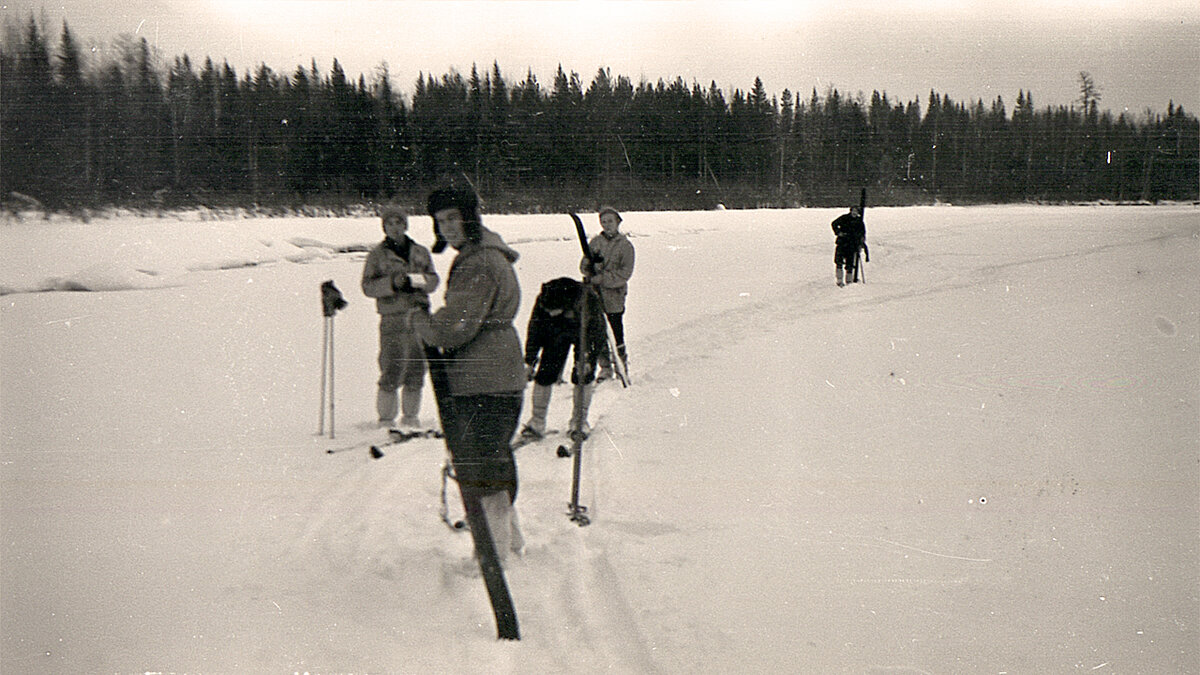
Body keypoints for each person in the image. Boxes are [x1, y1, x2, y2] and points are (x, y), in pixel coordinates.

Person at [410, 186, 525, 559]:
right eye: (440, 221)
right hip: (496, 371)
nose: (446, 228)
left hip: (484, 375)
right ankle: (509, 542)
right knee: (493, 460)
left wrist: (421, 322)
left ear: (470, 217)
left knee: (484, 466)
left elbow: (454, 327)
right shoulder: (489, 255)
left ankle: (494, 559)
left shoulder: (478, 262)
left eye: (452, 218)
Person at [361, 204, 439, 429]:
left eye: (399, 223)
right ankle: (386, 421)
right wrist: (392, 284)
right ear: (384, 227)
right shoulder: (376, 255)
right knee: (391, 367)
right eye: (390, 223)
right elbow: (367, 286)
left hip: (419, 316)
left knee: (417, 368)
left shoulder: (420, 251)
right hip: (392, 317)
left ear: (406, 225)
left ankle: (411, 419)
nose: (395, 228)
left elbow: (433, 280)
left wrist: (418, 282)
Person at [518, 276, 608, 443]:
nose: (549, 313)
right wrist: (530, 361)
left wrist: (587, 359)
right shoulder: (544, 301)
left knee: (582, 376)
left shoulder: (587, 301)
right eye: (548, 311)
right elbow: (535, 330)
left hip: (584, 332)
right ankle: (536, 422)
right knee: (544, 374)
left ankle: (579, 422)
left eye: (553, 311)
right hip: (556, 332)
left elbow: (597, 334)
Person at [581, 206, 635, 380]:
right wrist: (589, 269)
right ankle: (605, 367)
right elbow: (583, 265)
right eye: (603, 222)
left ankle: (621, 366)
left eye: (610, 221)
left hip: (614, 296)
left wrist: (602, 279)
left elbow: (624, 273)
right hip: (594, 295)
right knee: (597, 332)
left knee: (615, 330)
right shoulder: (595, 242)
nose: (607, 225)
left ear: (617, 222)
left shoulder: (625, 246)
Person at [831, 205, 867, 287]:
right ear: (850, 211)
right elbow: (834, 223)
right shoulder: (844, 218)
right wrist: (838, 232)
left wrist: (861, 244)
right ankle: (839, 280)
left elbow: (862, 233)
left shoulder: (859, 221)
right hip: (842, 243)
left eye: (856, 211)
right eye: (853, 211)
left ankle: (849, 281)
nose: (854, 213)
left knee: (850, 264)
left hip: (852, 245)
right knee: (839, 262)